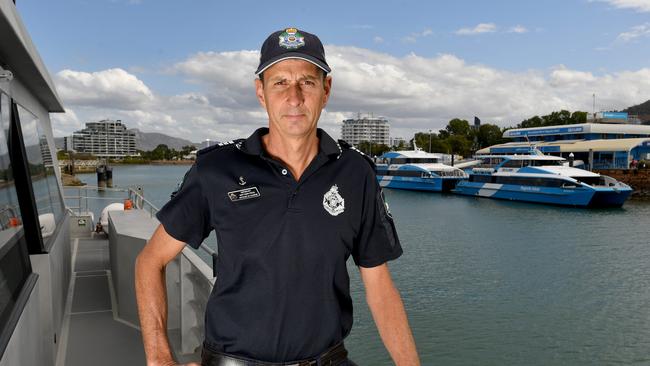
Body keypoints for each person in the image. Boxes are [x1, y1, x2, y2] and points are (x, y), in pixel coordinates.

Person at [135, 27, 420, 366]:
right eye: (280, 82)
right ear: (261, 91)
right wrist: (159, 356)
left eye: (307, 82)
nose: (295, 97)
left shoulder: (355, 173)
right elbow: (150, 261)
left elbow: (380, 287)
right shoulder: (217, 170)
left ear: (326, 90)